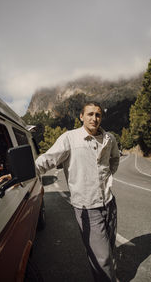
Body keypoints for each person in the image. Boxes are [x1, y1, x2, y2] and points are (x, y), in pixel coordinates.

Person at [35, 101, 120, 282]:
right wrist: (24, 172)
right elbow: (47, 160)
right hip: (87, 207)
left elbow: (114, 159)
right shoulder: (69, 138)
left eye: (98, 115)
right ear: (81, 116)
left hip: (109, 203)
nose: (94, 118)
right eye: (90, 114)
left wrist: (106, 178)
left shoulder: (109, 138)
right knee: (102, 258)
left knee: (109, 249)